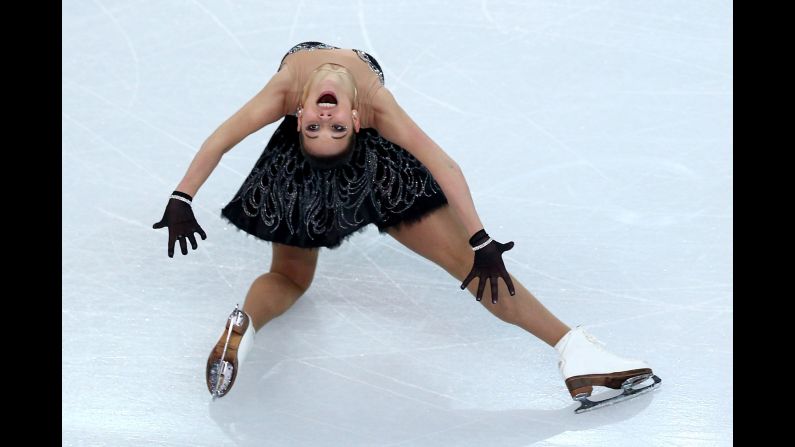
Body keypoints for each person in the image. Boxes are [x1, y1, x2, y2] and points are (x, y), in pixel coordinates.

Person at [152, 41, 660, 413]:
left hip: (337, 171)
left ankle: (244, 325)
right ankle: (575, 351)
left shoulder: (296, 90)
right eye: (317, 125)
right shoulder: (367, 101)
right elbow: (443, 164)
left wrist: (182, 196)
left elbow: (222, 137)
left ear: (348, 117)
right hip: (330, 172)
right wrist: (478, 240)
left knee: (291, 276)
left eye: (328, 124)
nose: (325, 117)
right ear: (301, 114)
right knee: (456, 263)